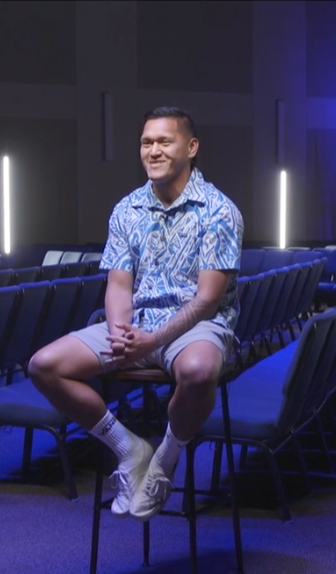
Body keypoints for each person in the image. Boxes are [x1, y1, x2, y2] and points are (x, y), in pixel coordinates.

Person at [29, 106, 243, 522]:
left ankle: (166, 457)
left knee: (199, 371)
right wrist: (120, 332)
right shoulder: (127, 209)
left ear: (191, 147)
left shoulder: (218, 210)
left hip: (196, 327)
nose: (153, 150)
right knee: (44, 366)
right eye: (147, 142)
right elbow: (119, 285)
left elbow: (208, 300)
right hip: (138, 326)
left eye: (165, 141)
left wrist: (153, 340)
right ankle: (129, 449)